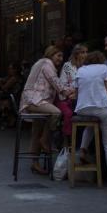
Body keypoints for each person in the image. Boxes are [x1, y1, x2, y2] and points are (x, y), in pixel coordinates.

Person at [73, 50, 107, 186]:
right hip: (102, 107)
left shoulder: (81, 70)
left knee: (91, 122)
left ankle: (83, 149)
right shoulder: (104, 68)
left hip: (83, 108)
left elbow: (76, 94)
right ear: (101, 59)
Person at [19, 45, 62, 175]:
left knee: (35, 132)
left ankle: (34, 163)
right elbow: (56, 83)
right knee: (56, 113)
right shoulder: (47, 63)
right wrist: (68, 91)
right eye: (58, 55)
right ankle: (45, 139)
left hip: (31, 99)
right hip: (35, 99)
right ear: (51, 54)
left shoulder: (40, 63)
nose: (61, 59)